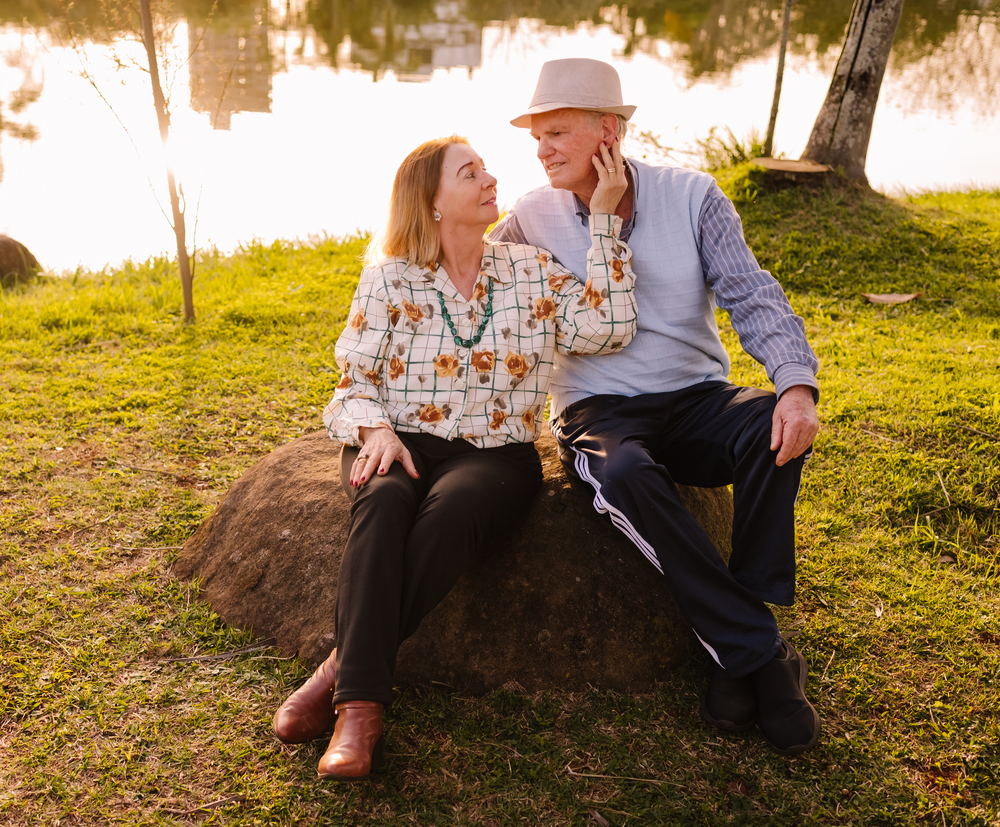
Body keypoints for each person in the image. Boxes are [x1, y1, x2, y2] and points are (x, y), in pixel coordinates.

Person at [272, 134, 638, 780]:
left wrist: (606, 220)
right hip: (400, 439)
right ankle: (360, 710)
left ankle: (341, 677)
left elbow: (608, 325)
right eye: (469, 173)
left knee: (449, 512)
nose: (489, 177)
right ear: (433, 204)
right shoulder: (388, 278)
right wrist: (375, 430)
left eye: (484, 167)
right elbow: (350, 384)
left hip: (495, 454)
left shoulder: (530, 270)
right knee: (382, 501)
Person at [491, 58, 822, 757]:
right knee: (627, 477)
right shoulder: (529, 215)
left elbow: (751, 294)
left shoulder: (694, 196)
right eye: (536, 135)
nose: (540, 148)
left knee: (773, 424)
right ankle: (759, 652)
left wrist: (795, 384)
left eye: (555, 132)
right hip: (596, 411)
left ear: (607, 131)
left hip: (697, 397)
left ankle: (739, 635)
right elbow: (470, 287)